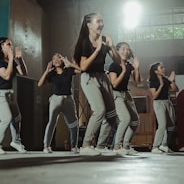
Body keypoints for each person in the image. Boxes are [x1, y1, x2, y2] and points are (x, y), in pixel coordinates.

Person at [73, 13, 121, 156]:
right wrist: (99, 49)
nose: (101, 24)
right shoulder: (85, 42)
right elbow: (83, 67)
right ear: (89, 25)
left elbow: (118, 62)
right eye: (98, 21)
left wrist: (111, 47)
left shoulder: (105, 40)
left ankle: (100, 146)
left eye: (102, 21)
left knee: (111, 114)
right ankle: (86, 145)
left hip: (102, 77)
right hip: (89, 78)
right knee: (100, 110)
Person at [0, 37, 27, 154]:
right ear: (1, 47)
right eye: (8, 44)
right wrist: (11, 59)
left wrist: (20, 60)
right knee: (6, 118)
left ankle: (16, 141)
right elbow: (6, 76)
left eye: (11, 44)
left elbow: (23, 73)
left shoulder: (12, 61)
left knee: (17, 118)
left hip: (9, 93)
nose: (12, 47)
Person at [38, 53, 80, 154]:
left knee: (73, 123)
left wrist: (70, 64)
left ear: (62, 60)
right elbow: (40, 84)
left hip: (68, 99)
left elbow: (82, 70)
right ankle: (46, 146)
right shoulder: (52, 73)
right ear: (52, 62)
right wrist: (46, 71)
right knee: (52, 122)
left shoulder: (68, 70)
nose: (56, 60)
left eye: (59, 58)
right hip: (56, 99)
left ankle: (74, 146)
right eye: (54, 59)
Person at [108, 42, 141, 155]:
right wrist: (123, 70)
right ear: (117, 51)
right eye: (123, 49)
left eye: (128, 49)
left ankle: (126, 146)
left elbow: (138, 82)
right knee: (125, 119)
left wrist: (136, 68)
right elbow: (114, 84)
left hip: (126, 94)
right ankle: (117, 147)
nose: (126, 51)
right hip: (116, 94)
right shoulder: (114, 66)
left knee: (135, 121)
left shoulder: (129, 65)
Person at [148, 62, 179, 154]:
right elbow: (154, 96)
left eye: (164, 67)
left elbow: (175, 89)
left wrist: (172, 81)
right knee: (162, 125)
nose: (164, 69)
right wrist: (161, 85)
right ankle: (155, 147)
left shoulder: (166, 79)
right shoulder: (152, 81)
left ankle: (164, 145)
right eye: (161, 68)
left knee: (171, 126)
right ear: (156, 71)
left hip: (167, 102)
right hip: (158, 103)